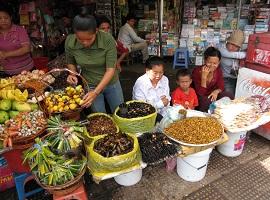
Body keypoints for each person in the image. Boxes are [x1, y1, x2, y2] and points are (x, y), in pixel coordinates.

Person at [65, 7, 124, 113]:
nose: (85, 43)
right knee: (99, 117)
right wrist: (72, 74)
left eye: (89, 39)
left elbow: (110, 69)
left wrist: (95, 92)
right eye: (80, 39)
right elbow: (70, 61)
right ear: (75, 33)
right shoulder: (70, 41)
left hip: (111, 83)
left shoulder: (107, 39)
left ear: (96, 31)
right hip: (90, 84)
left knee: (120, 112)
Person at [192, 47, 233, 112]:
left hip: (213, 95)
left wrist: (216, 91)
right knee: (205, 101)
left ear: (219, 62)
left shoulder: (218, 71)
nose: (212, 65)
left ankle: (221, 113)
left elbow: (221, 86)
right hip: (200, 97)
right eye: (209, 62)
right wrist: (204, 77)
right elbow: (201, 94)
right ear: (205, 60)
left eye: (215, 63)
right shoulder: (197, 71)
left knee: (228, 95)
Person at [0, 4, 33, 75]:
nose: (3, 21)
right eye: (0, 18)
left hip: (26, 71)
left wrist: (6, 54)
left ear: (11, 17)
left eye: (5, 18)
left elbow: (26, 48)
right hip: (7, 72)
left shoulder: (20, 30)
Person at [219, 30, 246, 97]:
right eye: (232, 44)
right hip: (226, 79)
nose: (233, 47)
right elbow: (239, 55)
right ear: (227, 42)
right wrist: (246, 54)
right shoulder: (221, 49)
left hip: (239, 78)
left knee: (240, 98)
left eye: (236, 46)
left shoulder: (240, 51)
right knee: (229, 97)